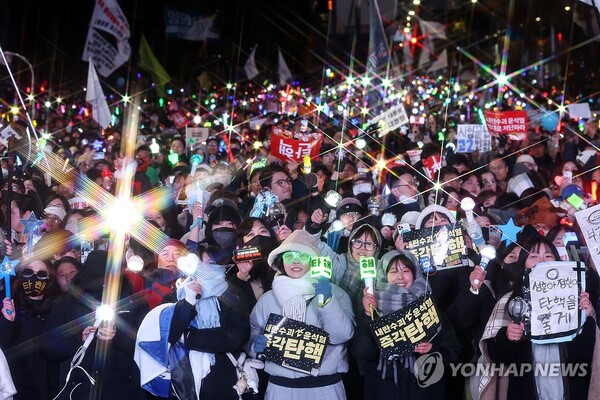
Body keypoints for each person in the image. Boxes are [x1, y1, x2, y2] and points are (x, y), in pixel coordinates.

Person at [478, 237, 599, 400]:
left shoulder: (573, 298)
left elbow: (589, 356)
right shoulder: (509, 301)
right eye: (533, 256)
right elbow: (497, 358)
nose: (542, 260)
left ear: (557, 261)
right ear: (523, 265)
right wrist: (507, 337)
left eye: (548, 256)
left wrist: (587, 318)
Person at [247, 230, 354, 399]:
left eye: (303, 256)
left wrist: (327, 301)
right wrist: (255, 346)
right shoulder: (267, 299)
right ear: (281, 262)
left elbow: (341, 335)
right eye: (289, 256)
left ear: (314, 260)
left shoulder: (336, 294)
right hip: (281, 388)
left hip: (325, 388)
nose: (295, 261)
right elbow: (253, 334)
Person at [135, 259, 250, 400]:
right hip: (183, 378)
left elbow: (235, 337)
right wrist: (188, 302)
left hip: (222, 379)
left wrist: (188, 337)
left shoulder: (232, 295)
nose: (206, 269)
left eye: (211, 263)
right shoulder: (177, 295)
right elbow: (168, 334)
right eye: (201, 263)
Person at [354, 250, 460, 400]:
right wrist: (367, 315)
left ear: (415, 273)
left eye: (405, 270)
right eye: (393, 271)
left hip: (424, 390)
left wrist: (432, 350)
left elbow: (452, 351)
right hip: (383, 390)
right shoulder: (372, 308)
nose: (400, 277)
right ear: (384, 275)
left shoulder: (428, 306)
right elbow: (363, 352)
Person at [43, 251, 148, 400]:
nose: (104, 281)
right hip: (79, 387)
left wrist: (117, 337)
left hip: (123, 387)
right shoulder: (66, 303)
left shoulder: (134, 302)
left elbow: (146, 346)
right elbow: (49, 348)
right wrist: (80, 339)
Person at [0, 258, 62, 399]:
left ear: (49, 279)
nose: (34, 278)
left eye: (41, 274)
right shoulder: (8, 305)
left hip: (52, 386)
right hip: (19, 387)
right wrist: (8, 322)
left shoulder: (59, 307)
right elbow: (2, 346)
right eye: (29, 272)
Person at [228, 218, 279, 315]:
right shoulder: (235, 273)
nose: (258, 236)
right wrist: (242, 276)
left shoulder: (284, 259)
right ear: (242, 243)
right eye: (251, 234)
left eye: (263, 231)